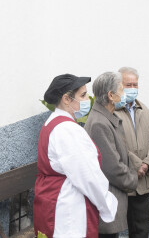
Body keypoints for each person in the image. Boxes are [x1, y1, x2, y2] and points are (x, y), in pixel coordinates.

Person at [33, 74, 118, 238]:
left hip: (53, 200)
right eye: (83, 95)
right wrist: (106, 203)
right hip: (68, 208)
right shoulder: (68, 130)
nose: (88, 99)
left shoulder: (52, 122)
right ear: (66, 99)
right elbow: (87, 175)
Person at [84, 72, 138, 238]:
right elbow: (112, 167)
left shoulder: (106, 117)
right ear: (111, 95)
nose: (124, 94)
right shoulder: (99, 123)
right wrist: (133, 180)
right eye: (121, 90)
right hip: (107, 200)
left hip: (111, 197)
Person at [114, 67, 149, 238]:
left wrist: (147, 164)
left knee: (141, 231)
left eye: (135, 84)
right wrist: (136, 164)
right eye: (128, 85)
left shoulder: (143, 109)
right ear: (118, 86)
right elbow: (114, 144)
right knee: (112, 231)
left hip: (142, 183)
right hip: (121, 182)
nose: (132, 88)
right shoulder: (112, 111)